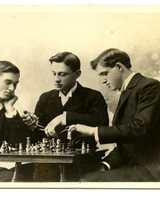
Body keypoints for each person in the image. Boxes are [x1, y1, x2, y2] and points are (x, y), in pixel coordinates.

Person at [68, 48, 160, 181]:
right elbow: (125, 145)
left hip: (150, 169)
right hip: (134, 166)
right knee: (83, 176)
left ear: (119, 66)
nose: (103, 80)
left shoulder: (150, 87)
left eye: (104, 73)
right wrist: (105, 164)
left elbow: (139, 129)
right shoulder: (128, 91)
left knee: (87, 181)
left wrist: (92, 131)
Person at [23, 51, 109, 181]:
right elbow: (39, 135)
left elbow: (101, 122)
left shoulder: (93, 96)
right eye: (54, 74)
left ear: (77, 74)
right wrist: (32, 125)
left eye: (62, 74)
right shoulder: (45, 98)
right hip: (50, 165)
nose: (56, 79)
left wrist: (65, 118)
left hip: (83, 163)